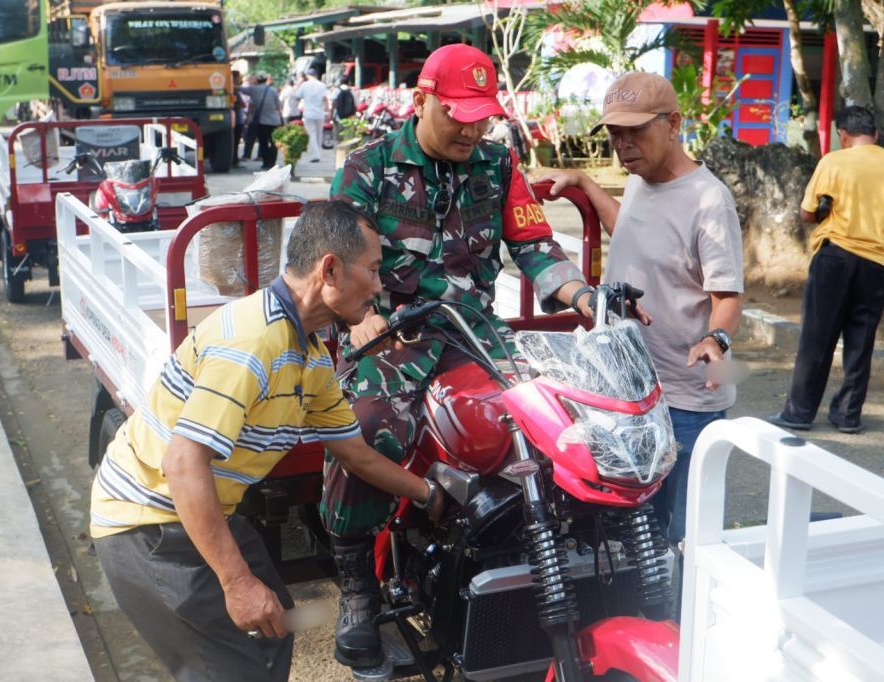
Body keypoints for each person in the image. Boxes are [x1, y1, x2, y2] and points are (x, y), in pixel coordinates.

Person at [320, 43, 615, 669]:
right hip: (392, 332)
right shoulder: (368, 167)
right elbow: (339, 264)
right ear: (422, 99)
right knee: (367, 429)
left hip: (474, 329)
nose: (473, 127)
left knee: (553, 422)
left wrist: (581, 293)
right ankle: (358, 589)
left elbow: (535, 244)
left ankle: (540, 557)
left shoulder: (497, 163)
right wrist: (360, 314)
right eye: (460, 113)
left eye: (483, 114)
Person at [90, 201, 443, 682]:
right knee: (232, 668)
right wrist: (236, 583)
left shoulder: (308, 355)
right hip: (148, 524)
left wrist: (432, 495)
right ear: (331, 270)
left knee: (275, 623)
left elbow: (356, 453)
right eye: (375, 270)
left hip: (197, 510)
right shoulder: (253, 344)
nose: (381, 287)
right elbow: (183, 462)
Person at [545, 71, 744, 548]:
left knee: (683, 530)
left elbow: (729, 296)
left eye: (635, 131)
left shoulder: (708, 200)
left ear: (673, 123)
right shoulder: (640, 180)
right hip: (631, 387)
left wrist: (716, 342)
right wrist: (585, 183)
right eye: (615, 134)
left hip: (685, 398)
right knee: (635, 521)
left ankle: (682, 617)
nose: (623, 144)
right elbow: (631, 230)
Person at [768, 105, 884, 435]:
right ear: (874, 134)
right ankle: (848, 415)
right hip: (877, 263)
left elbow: (807, 213)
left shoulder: (834, 160)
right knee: (861, 339)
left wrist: (825, 212)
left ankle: (799, 412)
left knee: (817, 336)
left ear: (843, 136)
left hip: (836, 255)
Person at [239, 73, 284, 169]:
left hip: (261, 121)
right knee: (273, 143)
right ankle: (272, 162)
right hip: (274, 121)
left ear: (257, 80)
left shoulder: (253, 89)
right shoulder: (273, 90)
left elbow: (241, 89)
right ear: (266, 79)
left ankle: (266, 163)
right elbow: (279, 105)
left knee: (263, 143)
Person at [293, 68, 329, 162]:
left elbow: (297, 97)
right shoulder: (322, 85)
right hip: (320, 113)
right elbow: (325, 99)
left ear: (308, 75)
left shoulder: (304, 85)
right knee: (319, 134)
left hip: (308, 113)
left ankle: (315, 154)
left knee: (311, 134)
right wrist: (328, 111)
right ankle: (318, 153)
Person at [231, 70, 247, 167]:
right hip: (237, 120)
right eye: (238, 77)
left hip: (237, 119)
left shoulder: (234, 89)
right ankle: (234, 160)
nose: (240, 79)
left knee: (235, 142)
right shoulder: (234, 90)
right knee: (235, 142)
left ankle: (234, 159)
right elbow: (242, 104)